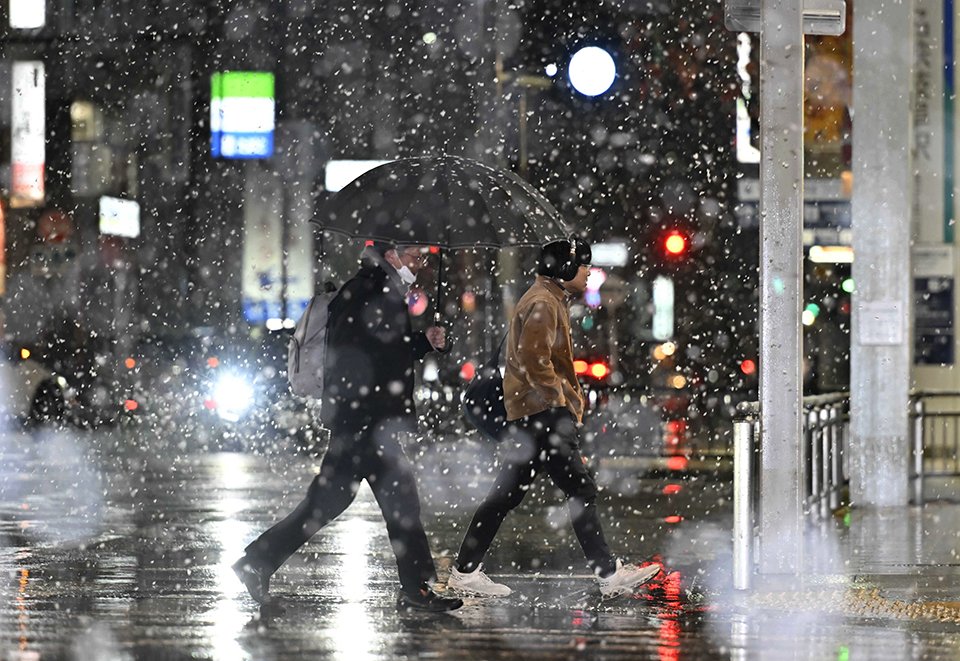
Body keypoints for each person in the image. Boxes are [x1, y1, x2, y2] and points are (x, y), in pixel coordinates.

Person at [233, 243, 463, 613]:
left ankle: (258, 561)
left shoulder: (378, 289)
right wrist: (372, 409)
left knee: (335, 502)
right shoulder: (370, 290)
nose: (419, 264)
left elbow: (384, 350)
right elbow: (358, 356)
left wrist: (423, 342)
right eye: (414, 256)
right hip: (365, 421)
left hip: (362, 420)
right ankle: (416, 589)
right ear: (392, 255)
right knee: (397, 502)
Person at [447, 236, 660, 598]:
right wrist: (559, 403)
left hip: (533, 415)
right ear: (564, 269)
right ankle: (608, 575)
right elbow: (536, 360)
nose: (588, 272)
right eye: (583, 265)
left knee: (506, 494)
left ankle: (465, 570)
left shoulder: (547, 298)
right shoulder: (544, 302)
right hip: (542, 416)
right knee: (579, 489)